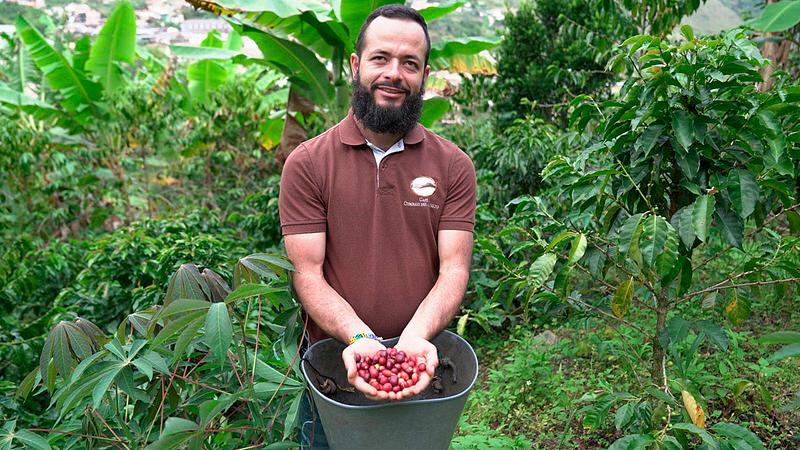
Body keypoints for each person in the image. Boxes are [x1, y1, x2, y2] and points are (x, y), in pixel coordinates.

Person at [278, 4, 476, 448]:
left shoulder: (453, 165)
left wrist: (410, 342)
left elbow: (454, 271)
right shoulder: (308, 163)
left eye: (410, 63)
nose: (394, 74)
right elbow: (307, 273)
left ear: (425, 75)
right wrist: (363, 340)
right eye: (380, 58)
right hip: (333, 372)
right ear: (356, 65)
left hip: (422, 369)